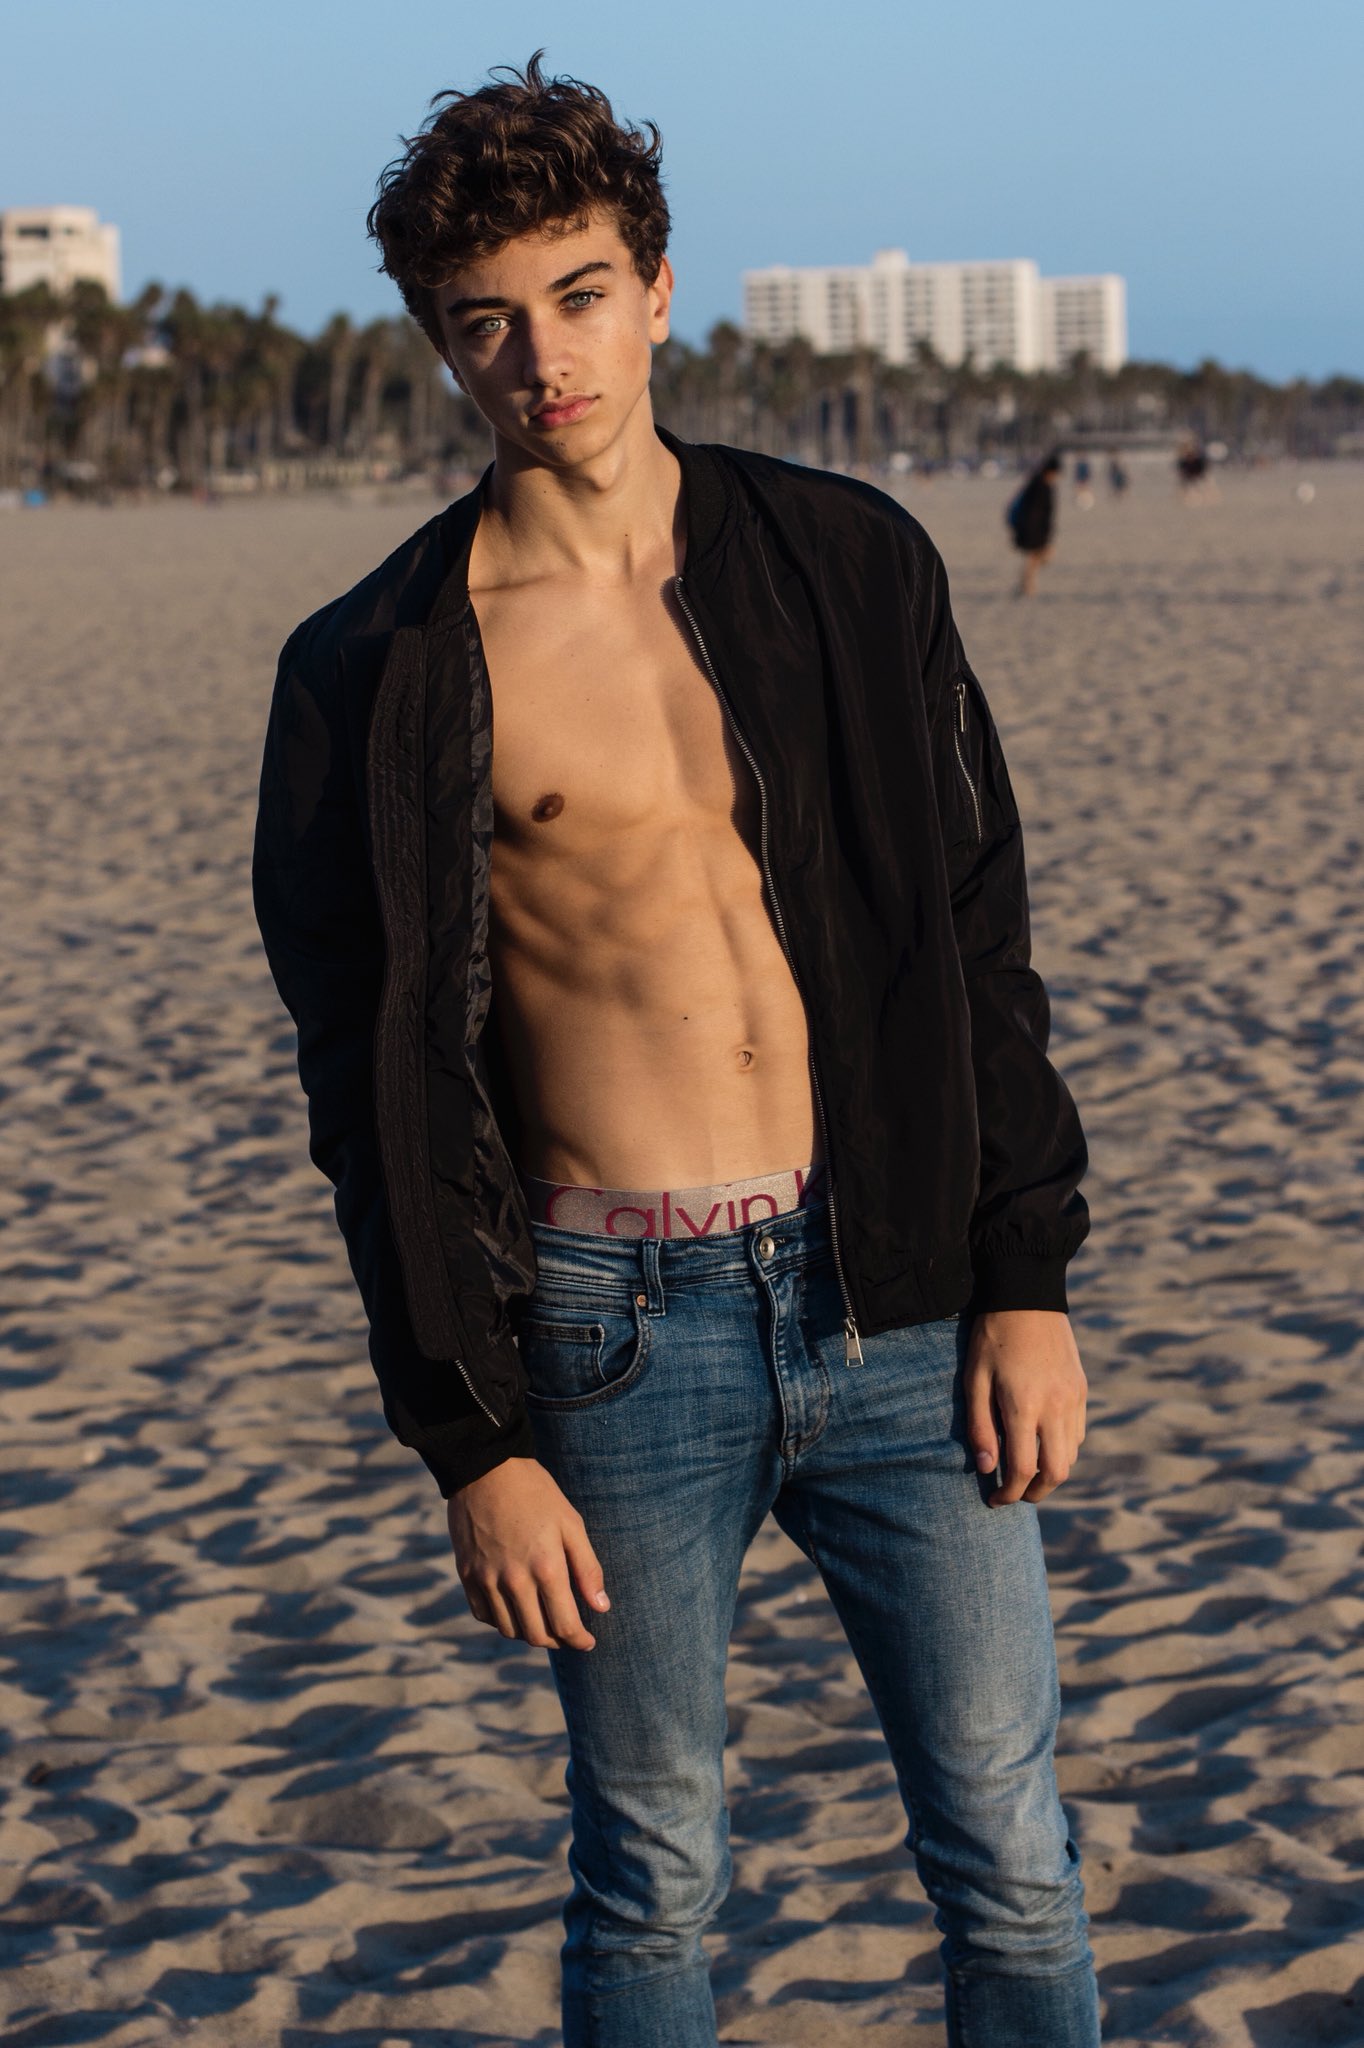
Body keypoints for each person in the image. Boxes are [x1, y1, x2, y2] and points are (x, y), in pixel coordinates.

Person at [252, 54, 1099, 2048]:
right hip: (610, 1325)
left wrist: (1024, 1276)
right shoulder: (375, 668)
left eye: (574, 295)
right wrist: (470, 1438)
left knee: (1005, 1834)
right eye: (485, 321)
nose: (538, 356)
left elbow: (974, 932)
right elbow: (363, 1087)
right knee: (649, 1855)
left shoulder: (849, 558)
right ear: (438, 345)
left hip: (891, 1292)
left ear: (652, 288)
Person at [1009, 448, 1063, 596]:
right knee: (1036, 558)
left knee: (1033, 560)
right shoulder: (1042, 486)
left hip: (1033, 530)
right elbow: (1037, 513)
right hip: (1034, 531)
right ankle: (1026, 587)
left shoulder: (1038, 483)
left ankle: (1025, 586)